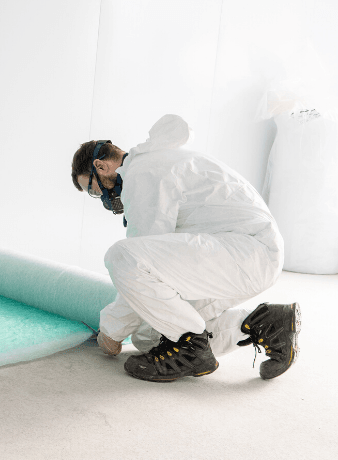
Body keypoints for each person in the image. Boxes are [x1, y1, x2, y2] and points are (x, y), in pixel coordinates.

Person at [71, 114, 301, 382]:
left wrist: (111, 330)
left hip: (246, 251)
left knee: (121, 255)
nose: (101, 198)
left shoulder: (143, 172)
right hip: (242, 255)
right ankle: (266, 323)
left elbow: (138, 261)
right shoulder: (154, 163)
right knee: (151, 335)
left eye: (93, 190)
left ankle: (191, 347)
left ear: (101, 166)